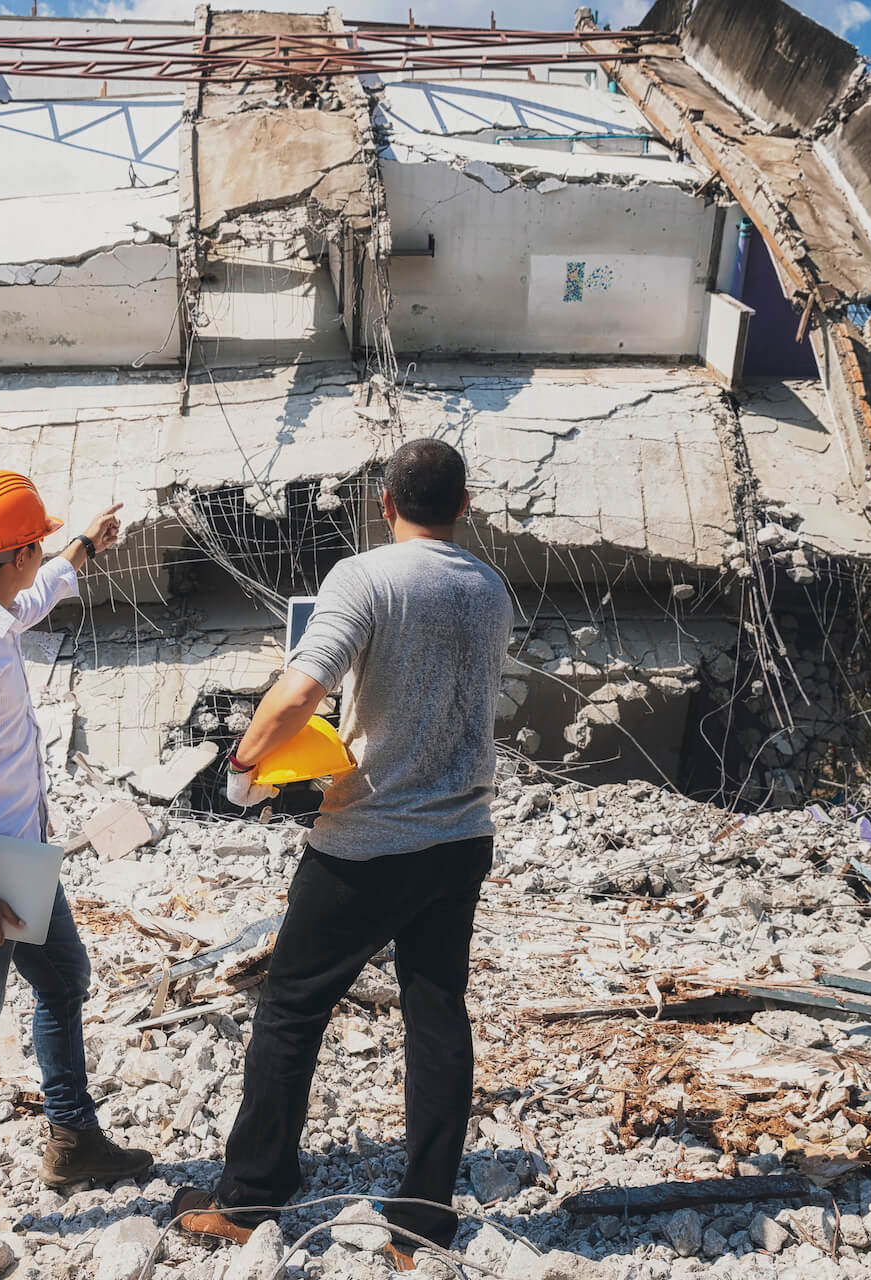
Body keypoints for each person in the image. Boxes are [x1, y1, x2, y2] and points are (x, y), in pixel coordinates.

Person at [173, 439, 514, 1267]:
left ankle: (249, 1194)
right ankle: (422, 1222)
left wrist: (244, 768)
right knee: (437, 1018)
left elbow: (301, 688)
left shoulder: (364, 578)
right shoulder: (493, 589)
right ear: (463, 507)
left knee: (292, 1007)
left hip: (366, 840)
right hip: (461, 838)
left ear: (385, 505)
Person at [0, 469, 153, 1204]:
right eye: (37, 546)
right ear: (12, 554)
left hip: (24, 859)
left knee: (61, 979)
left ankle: (74, 1141)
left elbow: (35, 597)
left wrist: (81, 546)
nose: (39, 560)